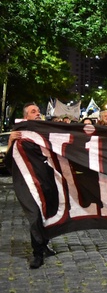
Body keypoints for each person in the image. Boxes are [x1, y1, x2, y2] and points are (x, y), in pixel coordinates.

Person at [8, 103, 57, 269]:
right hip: (29, 183)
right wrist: (10, 142)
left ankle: (44, 244)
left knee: (48, 214)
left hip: (48, 181)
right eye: (33, 111)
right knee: (35, 216)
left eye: (38, 110)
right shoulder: (20, 135)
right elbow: (10, 163)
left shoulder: (46, 132)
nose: (37, 113)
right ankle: (37, 254)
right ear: (26, 116)